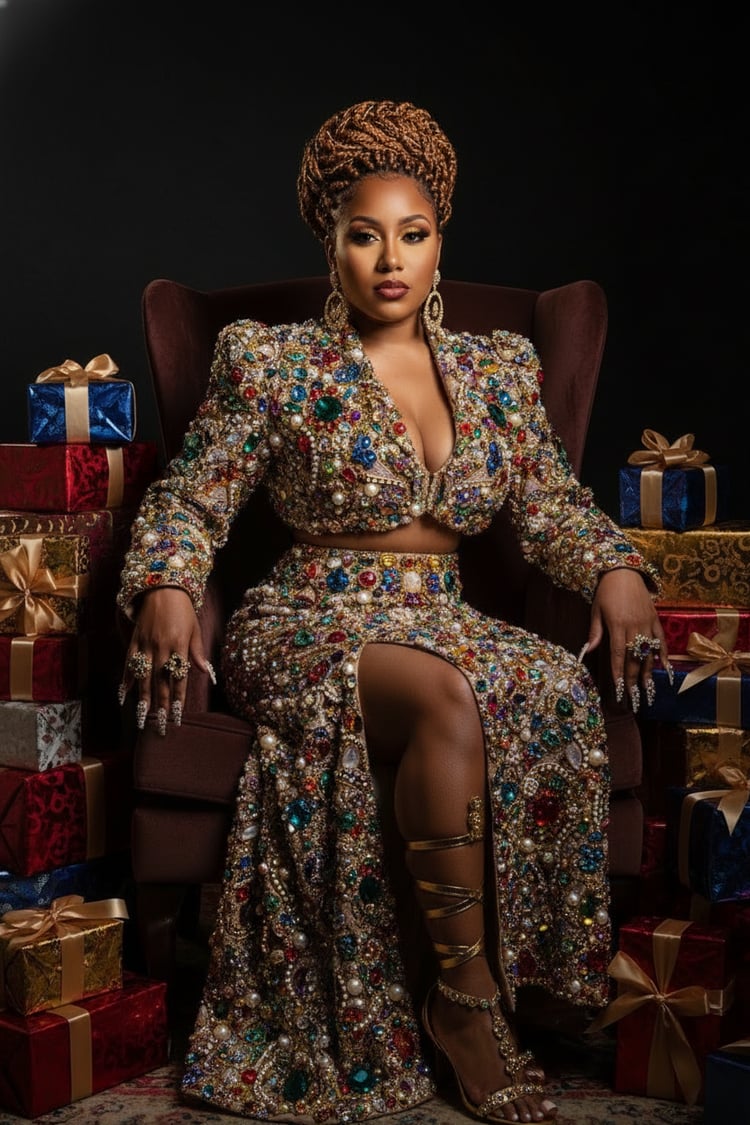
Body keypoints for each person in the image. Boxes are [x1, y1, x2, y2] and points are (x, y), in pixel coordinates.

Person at [117, 99, 665, 1125]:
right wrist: (166, 583)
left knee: (549, 682)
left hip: (444, 614)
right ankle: (464, 1001)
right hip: (306, 616)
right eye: (363, 235)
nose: (390, 259)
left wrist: (615, 570)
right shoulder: (271, 361)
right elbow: (190, 496)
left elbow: (550, 506)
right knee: (451, 696)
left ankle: (525, 981)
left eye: (412, 234)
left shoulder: (498, 368)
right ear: (329, 243)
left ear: (439, 240)